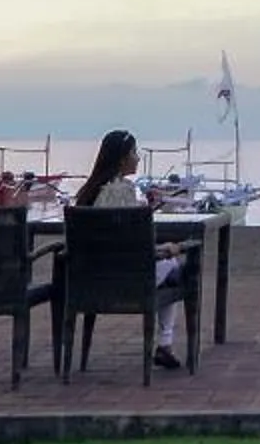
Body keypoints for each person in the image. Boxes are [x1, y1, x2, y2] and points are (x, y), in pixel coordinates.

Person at [70, 129, 189, 369]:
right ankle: (165, 344)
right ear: (122, 158)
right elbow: (135, 245)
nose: (138, 157)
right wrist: (167, 248)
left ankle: (164, 346)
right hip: (129, 282)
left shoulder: (87, 193)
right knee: (174, 266)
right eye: (134, 152)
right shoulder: (122, 192)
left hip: (90, 279)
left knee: (167, 264)